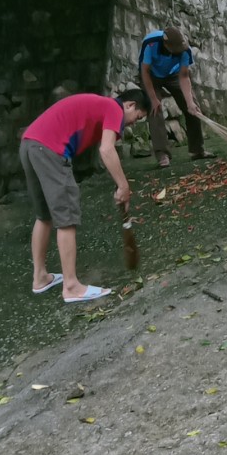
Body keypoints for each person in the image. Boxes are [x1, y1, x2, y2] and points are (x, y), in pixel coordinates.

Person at [20, 89, 148, 303]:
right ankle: (71, 286)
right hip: (51, 148)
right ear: (129, 105)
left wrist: (119, 185)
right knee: (67, 216)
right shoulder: (113, 108)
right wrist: (124, 187)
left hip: (29, 143)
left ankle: (40, 277)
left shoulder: (100, 106)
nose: (133, 123)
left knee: (44, 216)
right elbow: (106, 150)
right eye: (138, 117)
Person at [137, 26, 211, 168]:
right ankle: (162, 155)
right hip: (151, 76)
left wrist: (189, 102)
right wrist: (153, 98)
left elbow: (184, 76)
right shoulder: (150, 43)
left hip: (173, 75)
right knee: (155, 110)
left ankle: (197, 150)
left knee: (193, 108)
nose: (178, 52)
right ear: (166, 45)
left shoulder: (185, 50)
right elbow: (144, 72)